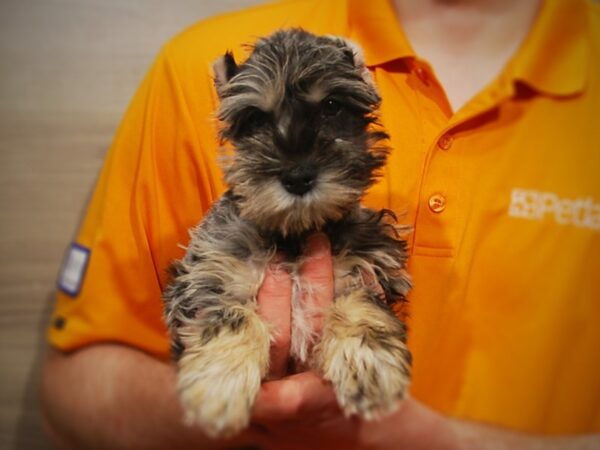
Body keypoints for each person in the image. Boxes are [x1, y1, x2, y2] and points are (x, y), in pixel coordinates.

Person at [41, 0, 600, 448]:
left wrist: (424, 439)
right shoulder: (195, 68)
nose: (296, 155)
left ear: (361, 98)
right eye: (255, 122)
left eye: (333, 110)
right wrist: (235, 402)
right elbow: (70, 397)